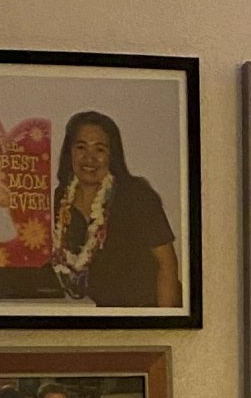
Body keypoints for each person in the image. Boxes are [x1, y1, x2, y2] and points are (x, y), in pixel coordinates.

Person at [51, 112, 180, 309]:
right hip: (87, 312)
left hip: (140, 311)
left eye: (99, 149)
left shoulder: (137, 196)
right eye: (81, 147)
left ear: (112, 155)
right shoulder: (59, 199)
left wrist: (166, 322)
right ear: (70, 153)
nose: (89, 158)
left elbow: (167, 264)